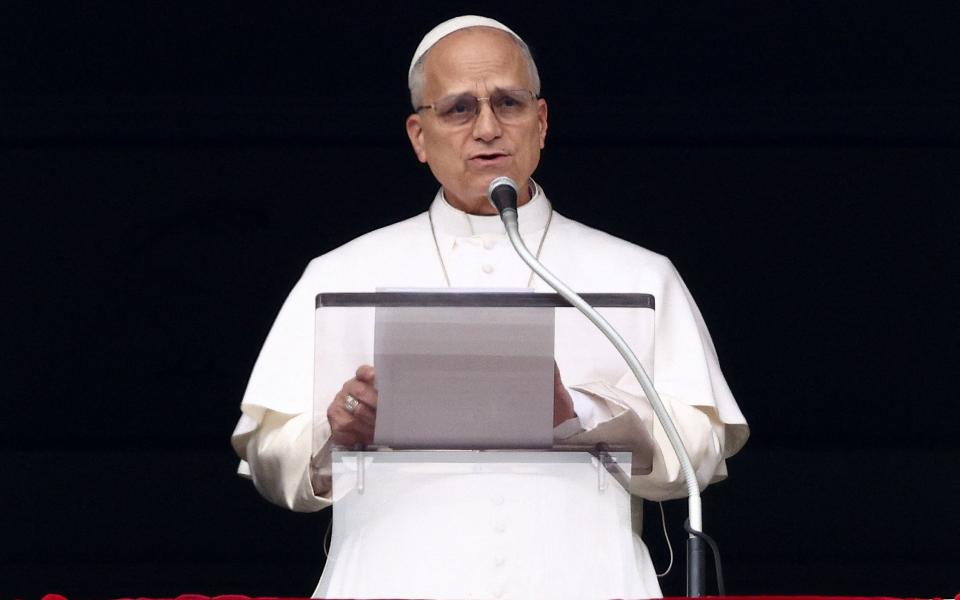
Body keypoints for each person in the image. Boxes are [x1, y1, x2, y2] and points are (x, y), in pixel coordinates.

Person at [231, 15, 748, 599]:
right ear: (418, 137)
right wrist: (337, 431)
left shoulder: (638, 274)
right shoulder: (341, 274)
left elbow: (702, 453)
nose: (487, 128)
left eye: (509, 103)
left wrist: (578, 413)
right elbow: (269, 462)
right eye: (457, 109)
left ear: (542, 121)